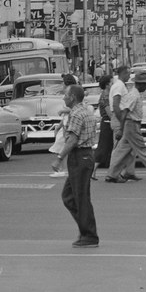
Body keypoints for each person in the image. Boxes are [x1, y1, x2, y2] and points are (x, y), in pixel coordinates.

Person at [55, 84, 99, 247]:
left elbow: (72, 140)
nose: (64, 98)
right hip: (84, 156)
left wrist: (59, 157)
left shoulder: (76, 114)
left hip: (79, 157)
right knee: (70, 196)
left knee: (80, 198)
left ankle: (89, 235)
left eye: (66, 95)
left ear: (72, 97)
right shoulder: (83, 111)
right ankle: (85, 228)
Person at [105, 71, 146, 183]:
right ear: (140, 84)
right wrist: (121, 128)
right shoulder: (134, 95)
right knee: (142, 148)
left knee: (121, 150)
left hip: (131, 124)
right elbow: (124, 112)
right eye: (145, 84)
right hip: (132, 124)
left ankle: (112, 174)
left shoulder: (135, 94)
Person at [93, 73, 115, 176]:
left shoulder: (108, 95)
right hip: (107, 124)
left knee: (110, 148)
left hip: (108, 123)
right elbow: (109, 113)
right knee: (103, 148)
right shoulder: (105, 96)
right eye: (111, 83)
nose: (113, 84)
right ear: (107, 85)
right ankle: (92, 170)